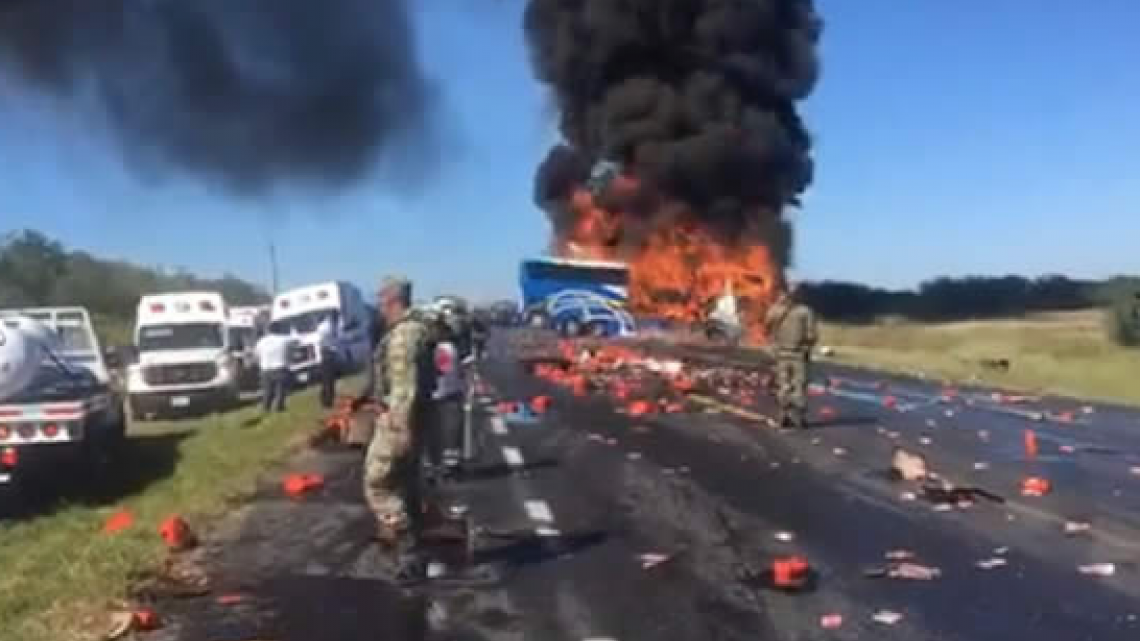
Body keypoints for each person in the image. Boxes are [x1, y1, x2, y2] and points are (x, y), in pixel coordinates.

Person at [358, 275, 434, 577]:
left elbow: (405, 388)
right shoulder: (417, 330)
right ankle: (415, 556)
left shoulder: (402, 337)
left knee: (376, 485)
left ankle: (408, 550)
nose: (379, 304)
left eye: (381, 298)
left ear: (392, 298)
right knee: (406, 486)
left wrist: (398, 428)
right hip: (417, 420)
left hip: (400, 421)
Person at [763, 282, 818, 429]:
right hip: (799, 354)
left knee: (784, 385)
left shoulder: (774, 310)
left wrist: (774, 345)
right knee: (799, 385)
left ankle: (783, 416)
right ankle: (798, 418)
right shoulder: (806, 312)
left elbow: (766, 329)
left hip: (781, 354)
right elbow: (812, 335)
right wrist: (807, 347)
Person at [255, 329, 292, 413]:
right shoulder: (284, 339)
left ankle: (266, 407)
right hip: (279, 366)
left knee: (268, 390)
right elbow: (296, 342)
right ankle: (279, 406)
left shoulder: (261, 341)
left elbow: (257, 356)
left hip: (265, 369)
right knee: (280, 389)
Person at [316, 311, 340, 409]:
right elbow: (321, 341)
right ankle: (327, 401)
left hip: (328, 353)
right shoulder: (326, 327)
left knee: (329, 380)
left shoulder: (330, 325)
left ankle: (328, 400)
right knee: (328, 380)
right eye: (336, 317)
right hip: (327, 354)